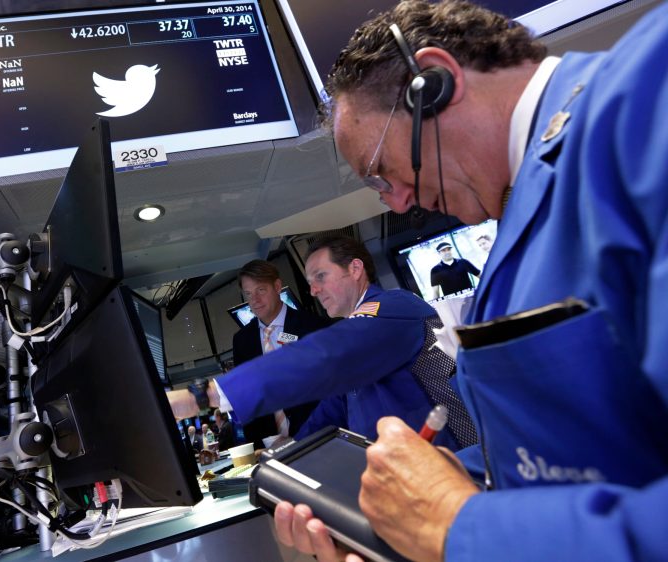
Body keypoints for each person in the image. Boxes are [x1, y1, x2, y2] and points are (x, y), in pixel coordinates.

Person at [273, 1, 668, 561]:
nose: (401, 203)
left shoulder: (650, 90)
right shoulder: (515, 220)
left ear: (433, 84)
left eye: (383, 173)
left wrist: (457, 528)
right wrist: (415, 508)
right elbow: (558, 456)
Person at [218, 235, 476, 448]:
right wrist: (295, 448)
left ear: (355, 269)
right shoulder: (359, 324)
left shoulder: (393, 306)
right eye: (310, 282)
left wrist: (221, 392)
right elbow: (334, 405)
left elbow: (329, 355)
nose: (314, 290)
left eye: (321, 276)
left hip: (446, 462)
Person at [232, 259, 330, 449]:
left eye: (261, 290)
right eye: (248, 294)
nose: (254, 301)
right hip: (271, 447)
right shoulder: (242, 340)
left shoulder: (313, 327)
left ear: (277, 286)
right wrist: (258, 445)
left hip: (317, 438)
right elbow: (247, 397)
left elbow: (327, 390)